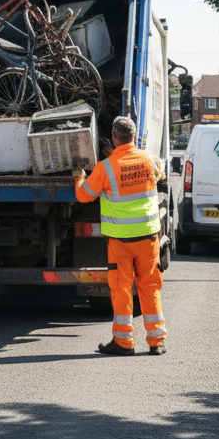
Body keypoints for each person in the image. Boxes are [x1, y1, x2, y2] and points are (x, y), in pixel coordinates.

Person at [74, 116, 167, 356]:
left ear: (114, 138)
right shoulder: (149, 160)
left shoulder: (106, 167)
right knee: (150, 286)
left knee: (122, 289)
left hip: (120, 241)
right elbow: (160, 175)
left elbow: (85, 196)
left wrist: (79, 177)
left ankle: (124, 342)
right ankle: (157, 342)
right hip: (148, 237)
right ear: (134, 137)